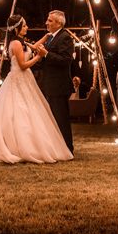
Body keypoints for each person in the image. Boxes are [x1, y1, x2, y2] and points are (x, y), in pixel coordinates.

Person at [0, 15, 73, 163]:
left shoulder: (21, 42)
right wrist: (39, 57)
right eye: (24, 26)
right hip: (18, 79)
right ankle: (20, 146)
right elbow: (23, 65)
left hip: (25, 80)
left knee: (32, 111)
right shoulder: (16, 44)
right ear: (17, 28)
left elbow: (34, 46)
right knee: (20, 111)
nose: (27, 28)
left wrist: (45, 37)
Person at [37, 10, 75, 153]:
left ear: (59, 23)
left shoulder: (65, 37)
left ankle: (67, 149)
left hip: (59, 86)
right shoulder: (50, 38)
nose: (46, 23)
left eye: (50, 21)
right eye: (47, 20)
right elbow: (46, 62)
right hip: (48, 85)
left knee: (61, 119)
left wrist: (46, 54)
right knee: (51, 120)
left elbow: (65, 61)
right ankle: (55, 148)